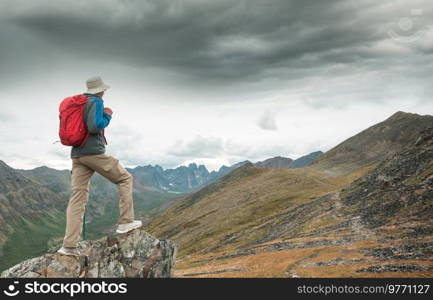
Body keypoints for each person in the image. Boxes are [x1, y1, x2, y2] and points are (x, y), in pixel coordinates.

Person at [58, 76, 142, 256]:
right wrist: (108, 115)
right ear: (101, 91)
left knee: (77, 197)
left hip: (77, 155)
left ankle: (69, 245)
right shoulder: (96, 102)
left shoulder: (78, 102)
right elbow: (95, 126)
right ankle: (126, 221)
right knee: (125, 178)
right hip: (93, 152)